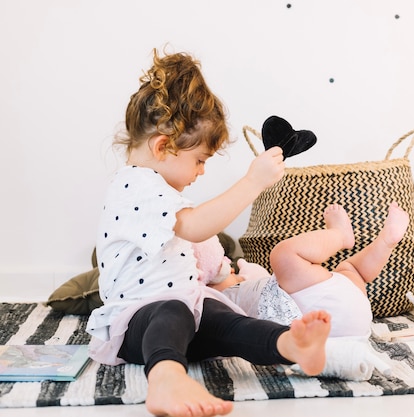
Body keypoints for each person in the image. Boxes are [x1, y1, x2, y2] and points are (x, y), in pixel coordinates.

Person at [86, 48, 331, 417]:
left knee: (228, 321)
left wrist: (219, 281)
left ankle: (289, 345)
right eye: (199, 160)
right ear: (163, 146)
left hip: (188, 310)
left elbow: (192, 250)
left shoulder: (159, 191)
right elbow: (196, 227)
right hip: (136, 324)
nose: (201, 171)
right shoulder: (135, 184)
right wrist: (252, 183)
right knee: (171, 312)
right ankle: (166, 378)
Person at [219, 202, 410, 341]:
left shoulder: (243, 280)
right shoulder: (211, 297)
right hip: (341, 319)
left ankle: (384, 242)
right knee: (284, 255)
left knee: (351, 271)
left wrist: (238, 272)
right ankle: (343, 235)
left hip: (328, 312)